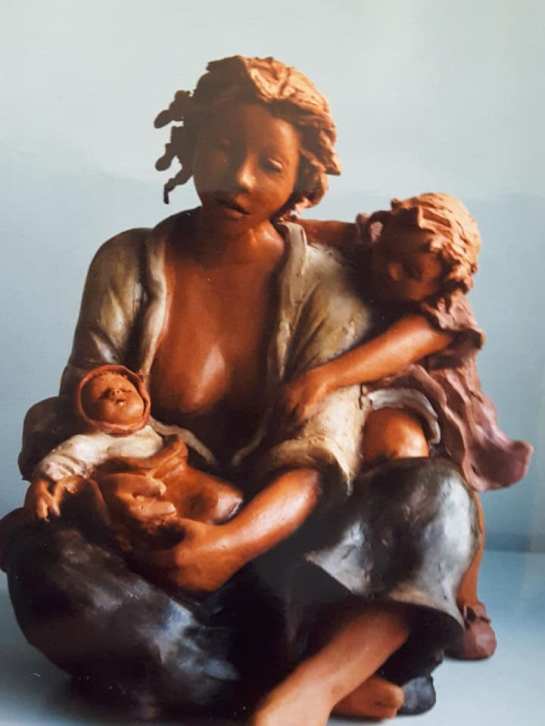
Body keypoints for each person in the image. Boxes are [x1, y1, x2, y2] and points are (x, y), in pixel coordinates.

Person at [2, 56, 479, 724]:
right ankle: (328, 672)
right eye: (222, 147)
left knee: (436, 494)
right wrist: (107, 488)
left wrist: (230, 548)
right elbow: (88, 403)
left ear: (301, 183)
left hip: (288, 552)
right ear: (191, 142)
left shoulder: (328, 284)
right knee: (41, 555)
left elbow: (322, 449)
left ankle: (280, 682)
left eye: (270, 164)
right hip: (161, 539)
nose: (240, 177)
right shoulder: (127, 262)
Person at [285, 193, 533, 659]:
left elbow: (398, 350)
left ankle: (464, 599)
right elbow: (325, 232)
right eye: (387, 255)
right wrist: (289, 224)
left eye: (411, 272)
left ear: (445, 283)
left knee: (435, 477)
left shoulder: (445, 312)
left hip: (422, 395)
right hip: (357, 383)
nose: (390, 271)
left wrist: (322, 380)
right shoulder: (374, 245)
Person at [25, 363, 243, 546]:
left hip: (186, 477)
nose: (115, 393)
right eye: (102, 396)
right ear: (88, 414)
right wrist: (40, 488)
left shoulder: (157, 430)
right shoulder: (90, 442)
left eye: (125, 389)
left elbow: (196, 449)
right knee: (192, 522)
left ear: (143, 396)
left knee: (226, 498)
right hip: (154, 495)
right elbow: (57, 465)